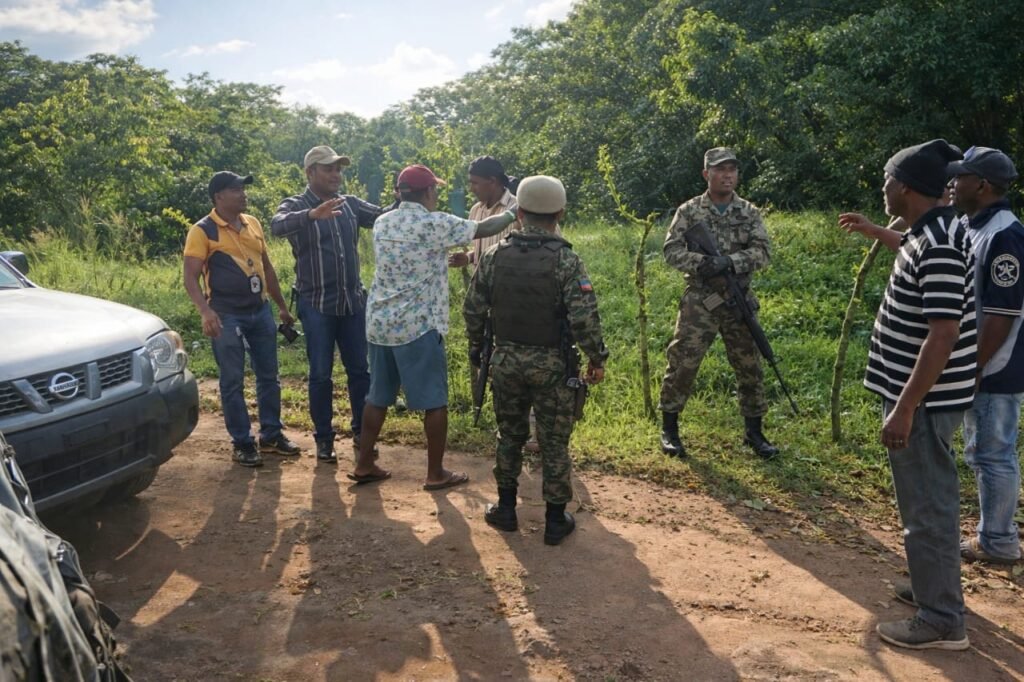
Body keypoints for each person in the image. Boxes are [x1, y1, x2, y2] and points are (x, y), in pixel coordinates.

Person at [857, 139, 975, 650]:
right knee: (926, 501)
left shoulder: (940, 242)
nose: (882, 188)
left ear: (903, 186)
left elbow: (943, 333)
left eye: (886, 180)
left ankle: (942, 619)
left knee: (927, 505)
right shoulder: (927, 231)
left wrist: (905, 407)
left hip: (923, 401)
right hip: (920, 396)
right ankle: (935, 589)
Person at [349, 164, 520, 489]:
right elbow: (487, 228)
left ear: (401, 193)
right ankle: (435, 472)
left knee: (378, 397)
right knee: (434, 401)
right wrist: (514, 213)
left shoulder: (383, 223)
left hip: (380, 323)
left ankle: (364, 463)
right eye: (435, 190)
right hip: (418, 325)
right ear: (427, 192)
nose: (437, 195)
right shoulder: (434, 223)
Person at [463, 175, 609, 546]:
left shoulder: (495, 256)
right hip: (553, 366)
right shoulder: (566, 260)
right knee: (554, 442)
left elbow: (473, 308)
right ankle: (556, 520)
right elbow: (584, 317)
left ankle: (507, 509)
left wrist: (478, 349)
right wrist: (596, 358)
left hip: (506, 360)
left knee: (510, 436)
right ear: (560, 213)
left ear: (520, 213)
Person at [658, 147, 778, 459]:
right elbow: (671, 250)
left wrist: (730, 261)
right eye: (720, 169)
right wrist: (703, 263)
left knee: (750, 364)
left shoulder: (748, 211)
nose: (727, 175)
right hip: (701, 298)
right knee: (683, 361)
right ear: (706, 174)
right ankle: (669, 429)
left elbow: (763, 252)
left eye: (732, 169)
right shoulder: (689, 211)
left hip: (738, 298)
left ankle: (754, 432)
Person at [270, 146, 386, 464]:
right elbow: (276, 225)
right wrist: (311, 215)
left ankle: (363, 435)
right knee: (321, 374)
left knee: (360, 371)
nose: (336, 175)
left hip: (352, 302)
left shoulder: (349, 204)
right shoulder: (296, 205)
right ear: (310, 173)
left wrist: (408, 196)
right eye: (328, 169)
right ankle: (324, 439)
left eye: (338, 169)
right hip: (317, 303)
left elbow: (383, 215)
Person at [183, 171, 300, 467]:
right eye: (236, 190)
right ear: (218, 197)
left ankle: (271, 435)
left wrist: (282, 307)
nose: (243, 194)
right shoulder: (203, 231)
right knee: (232, 380)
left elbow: (267, 268)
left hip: (259, 310)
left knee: (269, 376)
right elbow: (190, 277)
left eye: (243, 189)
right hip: (225, 314)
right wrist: (205, 312)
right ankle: (242, 442)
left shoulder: (253, 223)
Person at [947, 146, 1023, 565]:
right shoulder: (971, 224)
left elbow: (1002, 315)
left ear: (983, 185)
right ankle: (993, 535)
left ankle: (999, 541)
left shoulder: (1004, 236)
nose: (953, 184)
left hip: (995, 366)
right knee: (982, 451)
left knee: (993, 453)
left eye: (961, 178)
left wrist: (975, 366)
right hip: (977, 363)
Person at [447, 156, 520, 269]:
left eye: (475, 183)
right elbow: (482, 250)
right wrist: (469, 257)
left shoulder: (518, 209)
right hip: (480, 284)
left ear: (492, 181)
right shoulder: (476, 210)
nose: (471, 189)